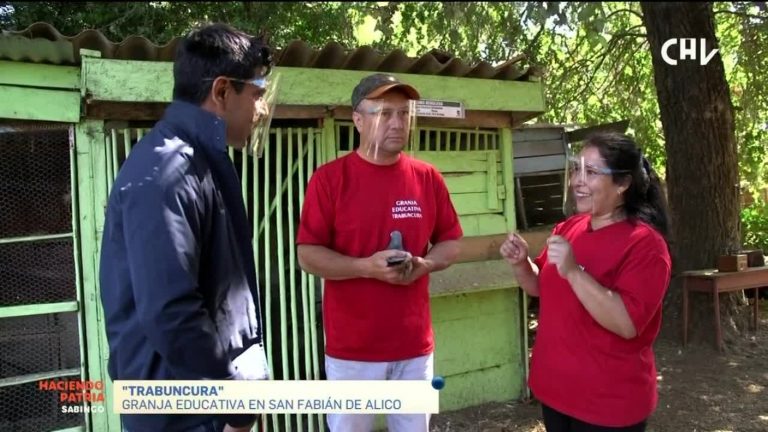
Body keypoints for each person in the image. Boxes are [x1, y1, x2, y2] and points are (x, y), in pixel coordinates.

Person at [98, 23, 274, 432]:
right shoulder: (166, 171)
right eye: (256, 95)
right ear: (222, 92)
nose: (261, 109)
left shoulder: (198, 159)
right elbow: (171, 313)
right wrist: (236, 409)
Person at [296, 73, 463, 432]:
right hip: (352, 352)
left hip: (414, 350)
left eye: (404, 114)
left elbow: (451, 241)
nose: (398, 123)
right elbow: (307, 255)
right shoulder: (329, 180)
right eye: (385, 113)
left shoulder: (427, 177)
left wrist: (425, 264)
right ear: (358, 119)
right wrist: (365, 267)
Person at [500, 132, 672, 432]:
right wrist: (521, 264)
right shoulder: (572, 226)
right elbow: (541, 287)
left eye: (591, 172)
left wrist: (575, 272)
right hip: (557, 391)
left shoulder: (646, 245)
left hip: (607, 403)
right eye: (576, 169)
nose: (577, 181)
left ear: (622, 183)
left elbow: (626, 322)